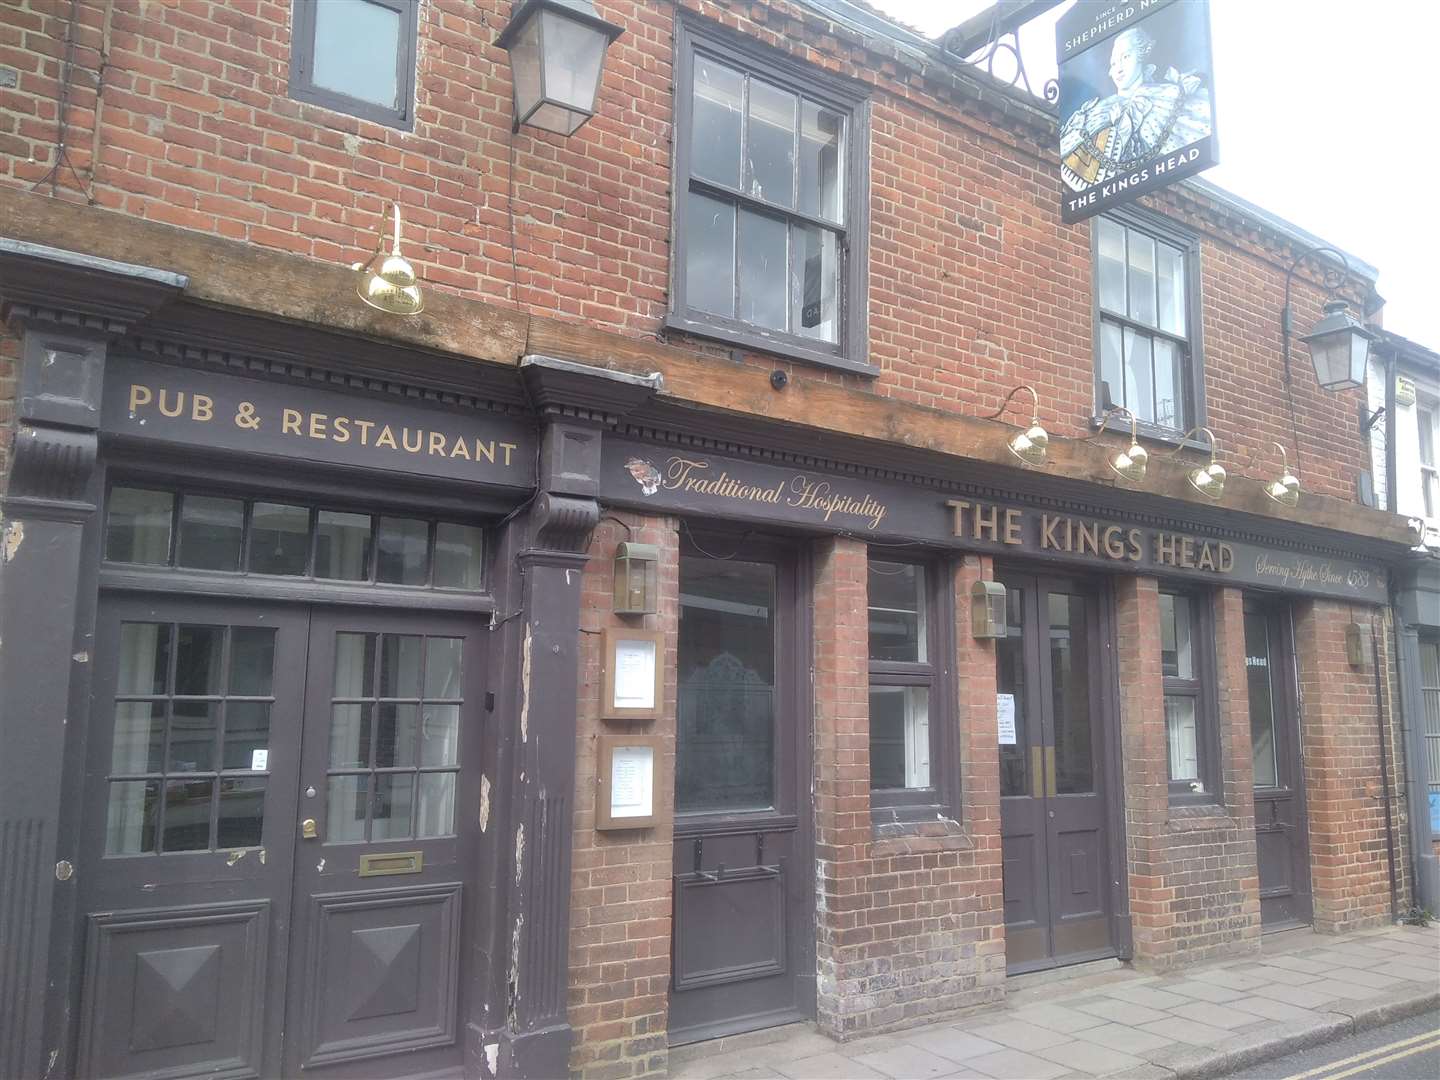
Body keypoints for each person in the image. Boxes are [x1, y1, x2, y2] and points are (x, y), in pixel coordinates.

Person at [1060, 26, 1212, 192]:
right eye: (1113, 62)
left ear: (1140, 55)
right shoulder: (1094, 109)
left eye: (1125, 57)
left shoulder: (1168, 97)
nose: (1118, 68)